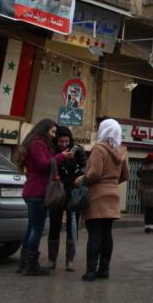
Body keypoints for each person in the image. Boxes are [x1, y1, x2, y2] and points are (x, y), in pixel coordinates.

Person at [14, 119, 71, 276]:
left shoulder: (34, 143)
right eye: (52, 132)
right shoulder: (37, 144)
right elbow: (43, 164)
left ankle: (24, 263)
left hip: (32, 191)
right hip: (37, 191)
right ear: (44, 130)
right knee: (36, 228)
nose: (54, 135)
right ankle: (31, 265)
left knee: (31, 227)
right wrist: (62, 157)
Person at [76, 119, 130, 282]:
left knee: (95, 235)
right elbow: (126, 175)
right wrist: (112, 184)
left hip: (97, 197)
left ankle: (90, 271)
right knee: (107, 234)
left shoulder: (99, 149)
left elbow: (94, 174)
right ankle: (104, 270)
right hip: (113, 197)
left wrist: (78, 181)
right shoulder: (121, 150)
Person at [47, 126, 87, 271]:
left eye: (66, 141)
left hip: (73, 193)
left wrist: (76, 176)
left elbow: (85, 168)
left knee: (72, 226)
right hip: (57, 192)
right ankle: (52, 260)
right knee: (54, 225)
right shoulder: (52, 152)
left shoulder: (78, 151)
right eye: (61, 142)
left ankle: (69, 261)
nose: (64, 145)